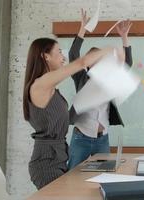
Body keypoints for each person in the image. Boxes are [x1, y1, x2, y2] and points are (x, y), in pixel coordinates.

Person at [23, 37, 114, 189]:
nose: (63, 57)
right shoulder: (41, 84)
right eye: (59, 52)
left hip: (57, 158)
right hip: (47, 164)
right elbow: (80, 63)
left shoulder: (50, 88)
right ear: (46, 56)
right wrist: (109, 49)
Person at [67, 9, 133, 169]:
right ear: (88, 63)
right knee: (72, 175)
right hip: (81, 138)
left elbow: (127, 64)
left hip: (102, 139)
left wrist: (124, 37)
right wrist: (82, 29)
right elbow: (73, 54)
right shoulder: (81, 77)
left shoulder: (109, 81)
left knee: (104, 174)